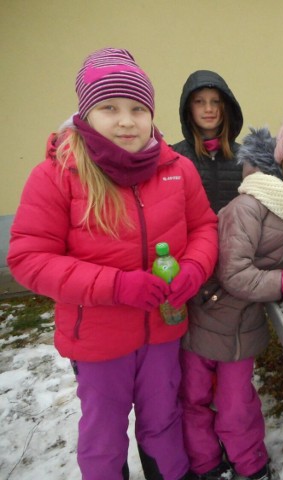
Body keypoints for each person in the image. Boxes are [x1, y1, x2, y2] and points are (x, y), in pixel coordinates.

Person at [7, 48, 218, 480]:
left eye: (138, 108)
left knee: (163, 423)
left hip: (163, 331)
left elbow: (204, 228)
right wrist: (118, 286)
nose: (126, 121)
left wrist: (194, 269)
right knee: (104, 436)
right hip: (98, 341)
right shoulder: (57, 173)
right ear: (85, 113)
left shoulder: (177, 168)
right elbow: (29, 259)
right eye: (110, 108)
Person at [179, 102, 283, 480]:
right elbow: (234, 273)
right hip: (204, 313)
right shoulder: (249, 205)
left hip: (245, 324)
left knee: (236, 403)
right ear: (280, 164)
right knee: (194, 399)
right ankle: (205, 465)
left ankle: (250, 466)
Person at [172, 70, 244, 213]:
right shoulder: (174, 157)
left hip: (235, 235)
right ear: (189, 108)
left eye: (215, 102)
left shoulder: (246, 158)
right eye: (199, 102)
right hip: (193, 235)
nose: (209, 109)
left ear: (226, 107)